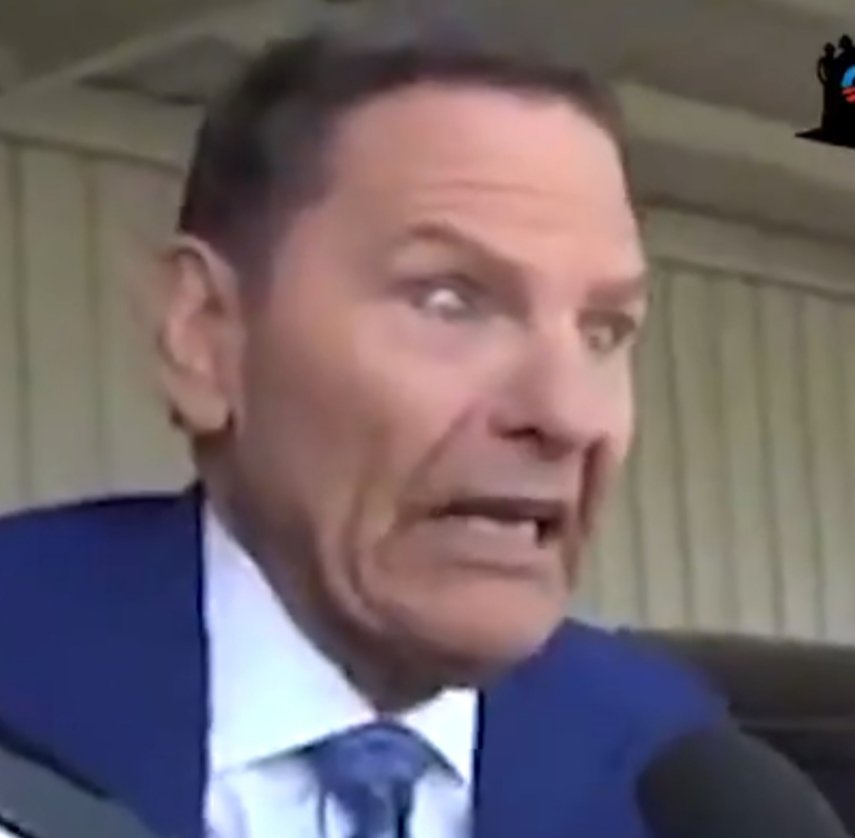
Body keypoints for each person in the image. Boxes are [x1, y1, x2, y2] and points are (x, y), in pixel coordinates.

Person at [0, 25, 730, 838]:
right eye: (449, 300)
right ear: (205, 334)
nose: (566, 415)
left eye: (603, 330)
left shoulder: (673, 771)